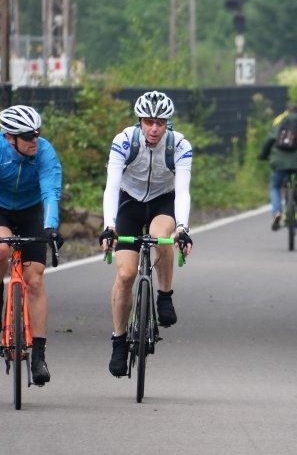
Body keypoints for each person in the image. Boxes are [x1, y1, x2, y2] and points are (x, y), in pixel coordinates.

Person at [99, 91, 195, 378]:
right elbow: (112, 187)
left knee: (160, 235)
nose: (154, 128)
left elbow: (184, 190)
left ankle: (164, 295)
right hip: (129, 202)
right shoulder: (124, 141)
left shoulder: (179, 146)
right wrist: (110, 224)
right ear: (140, 121)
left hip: (163, 201)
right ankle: (118, 340)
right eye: (148, 121)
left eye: (160, 123)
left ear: (168, 123)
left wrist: (183, 228)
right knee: (126, 275)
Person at [0, 105, 64, 386]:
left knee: (35, 279)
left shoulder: (45, 152)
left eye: (37, 133)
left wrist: (51, 227)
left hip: (32, 211)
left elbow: (50, 192)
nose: (34, 140)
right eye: (27, 136)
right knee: (0, 248)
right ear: (10, 137)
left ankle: (39, 355)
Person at [258, 102, 297, 231]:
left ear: (286, 111)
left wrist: (263, 155)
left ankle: (277, 212)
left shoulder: (279, 123)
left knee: (275, 186)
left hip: (279, 162)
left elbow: (269, 140)